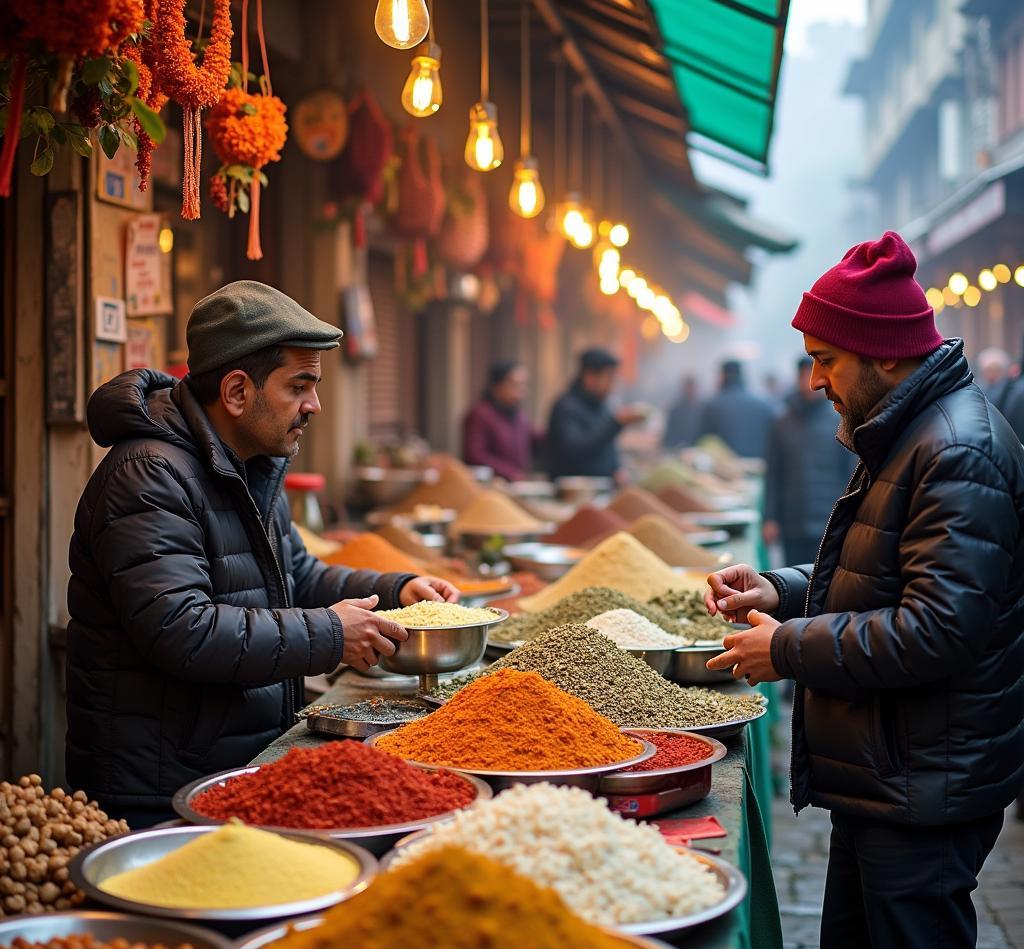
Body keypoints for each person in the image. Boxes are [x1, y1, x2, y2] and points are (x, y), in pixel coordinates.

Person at [704, 232, 1024, 949]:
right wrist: (778, 592)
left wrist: (784, 649)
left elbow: (936, 628)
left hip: (926, 776)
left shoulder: (955, 448)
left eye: (826, 360)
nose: (814, 381)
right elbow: (873, 574)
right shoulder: (904, 426)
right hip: (890, 770)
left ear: (882, 354)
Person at [66, 281, 459, 827]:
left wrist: (396, 594)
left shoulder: (249, 463)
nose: (313, 406)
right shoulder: (150, 475)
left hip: (233, 766)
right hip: (159, 789)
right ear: (235, 392)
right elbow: (183, 629)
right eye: (300, 385)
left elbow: (294, 574)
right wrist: (329, 634)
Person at [763, 357, 856, 564]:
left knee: (825, 584)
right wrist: (769, 518)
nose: (809, 381)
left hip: (828, 521)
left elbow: (851, 473)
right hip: (792, 522)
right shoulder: (781, 421)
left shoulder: (840, 420)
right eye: (804, 375)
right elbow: (773, 474)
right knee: (793, 580)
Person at [545, 348, 647, 479]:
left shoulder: (602, 407)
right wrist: (615, 423)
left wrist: (616, 468)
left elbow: (607, 449)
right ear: (590, 377)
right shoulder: (566, 408)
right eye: (609, 379)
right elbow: (575, 452)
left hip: (604, 487)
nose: (612, 386)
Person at [461, 360, 542, 481]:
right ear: (497, 386)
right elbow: (475, 455)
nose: (521, 391)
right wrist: (509, 472)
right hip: (490, 485)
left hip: (516, 483)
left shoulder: (518, 414)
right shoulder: (480, 414)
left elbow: (535, 437)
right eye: (514, 385)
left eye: (523, 385)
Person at [696, 359, 776, 458]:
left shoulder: (713, 406)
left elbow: (703, 442)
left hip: (725, 470)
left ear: (723, 376)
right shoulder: (764, 404)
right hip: (759, 466)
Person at [662, 375, 703, 449]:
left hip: (696, 447)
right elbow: (670, 433)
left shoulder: (702, 409)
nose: (690, 391)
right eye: (688, 388)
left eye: (692, 388)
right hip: (678, 448)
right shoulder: (676, 409)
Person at [976, 346, 1012, 411]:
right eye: (989, 370)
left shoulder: (1009, 390)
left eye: (996, 369)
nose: (992, 374)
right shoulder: (978, 388)